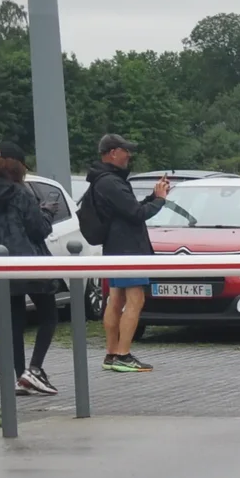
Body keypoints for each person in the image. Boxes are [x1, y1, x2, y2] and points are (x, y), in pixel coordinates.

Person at [0, 142, 62, 396]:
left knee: (14, 320)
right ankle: (34, 370)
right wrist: (47, 212)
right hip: (27, 262)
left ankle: (19, 376)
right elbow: (38, 229)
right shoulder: (21, 193)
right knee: (49, 315)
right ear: (17, 167)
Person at [84, 134, 167, 373]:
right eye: (125, 150)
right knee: (135, 300)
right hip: (128, 249)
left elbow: (129, 208)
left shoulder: (102, 179)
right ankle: (123, 354)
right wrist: (160, 201)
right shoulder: (111, 182)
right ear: (113, 153)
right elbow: (137, 214)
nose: (129, 155)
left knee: (116, 299)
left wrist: (153, 197)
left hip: (115, 247)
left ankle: (111, 353)